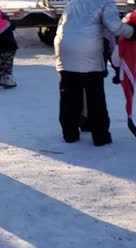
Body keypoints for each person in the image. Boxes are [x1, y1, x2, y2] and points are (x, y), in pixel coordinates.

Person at [54, 0, 136, 146]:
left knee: (69, 93)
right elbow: (115, 26)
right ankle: (100, 136)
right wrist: (132, 32)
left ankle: (69, 133)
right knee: (94, 95)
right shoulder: (105, 2)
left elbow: (63, 23)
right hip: (89, 49)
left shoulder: (72, 2)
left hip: (64, 46)